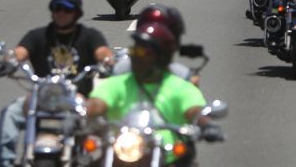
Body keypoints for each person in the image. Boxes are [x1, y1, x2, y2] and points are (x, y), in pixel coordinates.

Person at [0, 0, 112, 167]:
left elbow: (103, 52)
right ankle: (4, 163)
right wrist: (9, 62)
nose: (61, 13)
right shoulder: (38, 35)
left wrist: (110, 62)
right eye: (57, 8)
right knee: (10, 113)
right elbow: (19, 53)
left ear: (76, 12)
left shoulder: (89, 36)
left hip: (78, 99)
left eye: (67, 9)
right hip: (42, 97)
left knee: (110, 124)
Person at [86, 23, 214, 143]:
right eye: (134, 50)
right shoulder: (119, 83)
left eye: (142, 52)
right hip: (124, 150)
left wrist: (206, 123)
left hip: (169, 156)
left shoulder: (180, 87)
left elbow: (194, 110)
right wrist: (81, 112)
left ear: (161, 57)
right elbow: (98, 102)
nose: (135, 56)